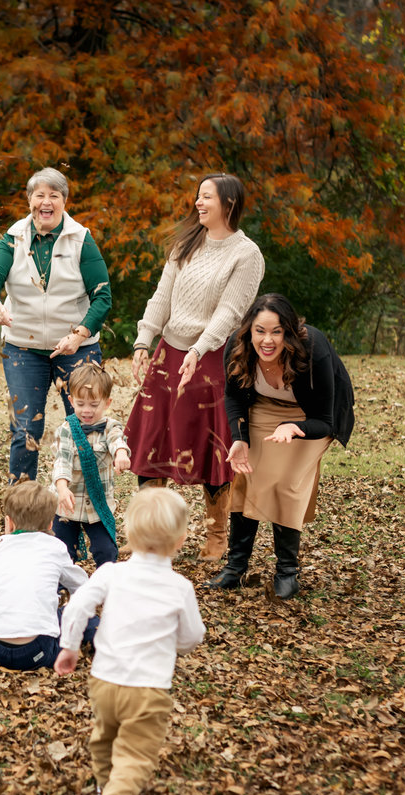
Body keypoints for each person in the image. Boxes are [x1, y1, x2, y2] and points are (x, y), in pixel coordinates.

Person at [123, 173, 264, 562]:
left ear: (229, 204)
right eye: (198, 197)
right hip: (169, 355)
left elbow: (231, 312)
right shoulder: (187, 243)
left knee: (210, 446)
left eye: (207, 197)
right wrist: (143, 341)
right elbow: (162, 296)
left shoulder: (246, 254)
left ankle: (217, 534)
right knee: (153, 442)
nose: (198, 203)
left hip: (212, 360)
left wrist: (200, 349)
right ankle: (149, 535)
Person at [55, 486, 206, 795]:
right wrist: (175, 648)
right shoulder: (179, 587)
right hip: (148, 688)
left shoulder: (111, 573)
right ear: (181, 539)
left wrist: (70, 646)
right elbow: (192, 636)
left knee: (104, 737)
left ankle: (105, 787)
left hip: (104, 679)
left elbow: (78, 605)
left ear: (128, 532)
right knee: (137, 752)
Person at [206, 293, 355, 600]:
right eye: (260, 331)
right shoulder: (237, 345)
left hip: (309, 416)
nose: (267, 340)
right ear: (250, 329)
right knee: (248, 475)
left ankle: (287, 572)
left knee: (286, 482)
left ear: (290, 331)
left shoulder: (313, 349)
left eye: (277, 331)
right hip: (264, 409)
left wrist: (295, 428)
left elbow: (325, 420)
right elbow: (233, 397)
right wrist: (239, 438)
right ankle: (235, 569)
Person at [0, 167, 113, 482]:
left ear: (64, 201)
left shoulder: (81, 239)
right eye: (40, 195)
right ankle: (22, 512)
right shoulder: (13, 237)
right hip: (22, 347)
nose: (46, 202)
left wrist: (79, 335)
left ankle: (85, 508)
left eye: (54, 195)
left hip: (77, 349)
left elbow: (102, 297)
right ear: (30, 200)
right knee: (26, 428)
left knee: (83, 425)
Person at [0, 481, 98, 671]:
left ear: (9, 522)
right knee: (75, 613)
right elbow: (83, 587)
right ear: (50, 523)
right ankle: (104, 641)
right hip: (38, 652)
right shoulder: (55, 548)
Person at [50, 363, 131, 567]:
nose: (87, 410)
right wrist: (61, 488)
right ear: (71, 401)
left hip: (98, 505)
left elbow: (117, 440)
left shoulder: (110, 426)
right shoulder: (67, 429)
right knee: (61, 551)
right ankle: (59, 591)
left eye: (94, 405)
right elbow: (63, 460)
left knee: (106, 551)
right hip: (67, 503)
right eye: (81, 404)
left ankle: (106, 589)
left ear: (107, 402)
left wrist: (121, 453)